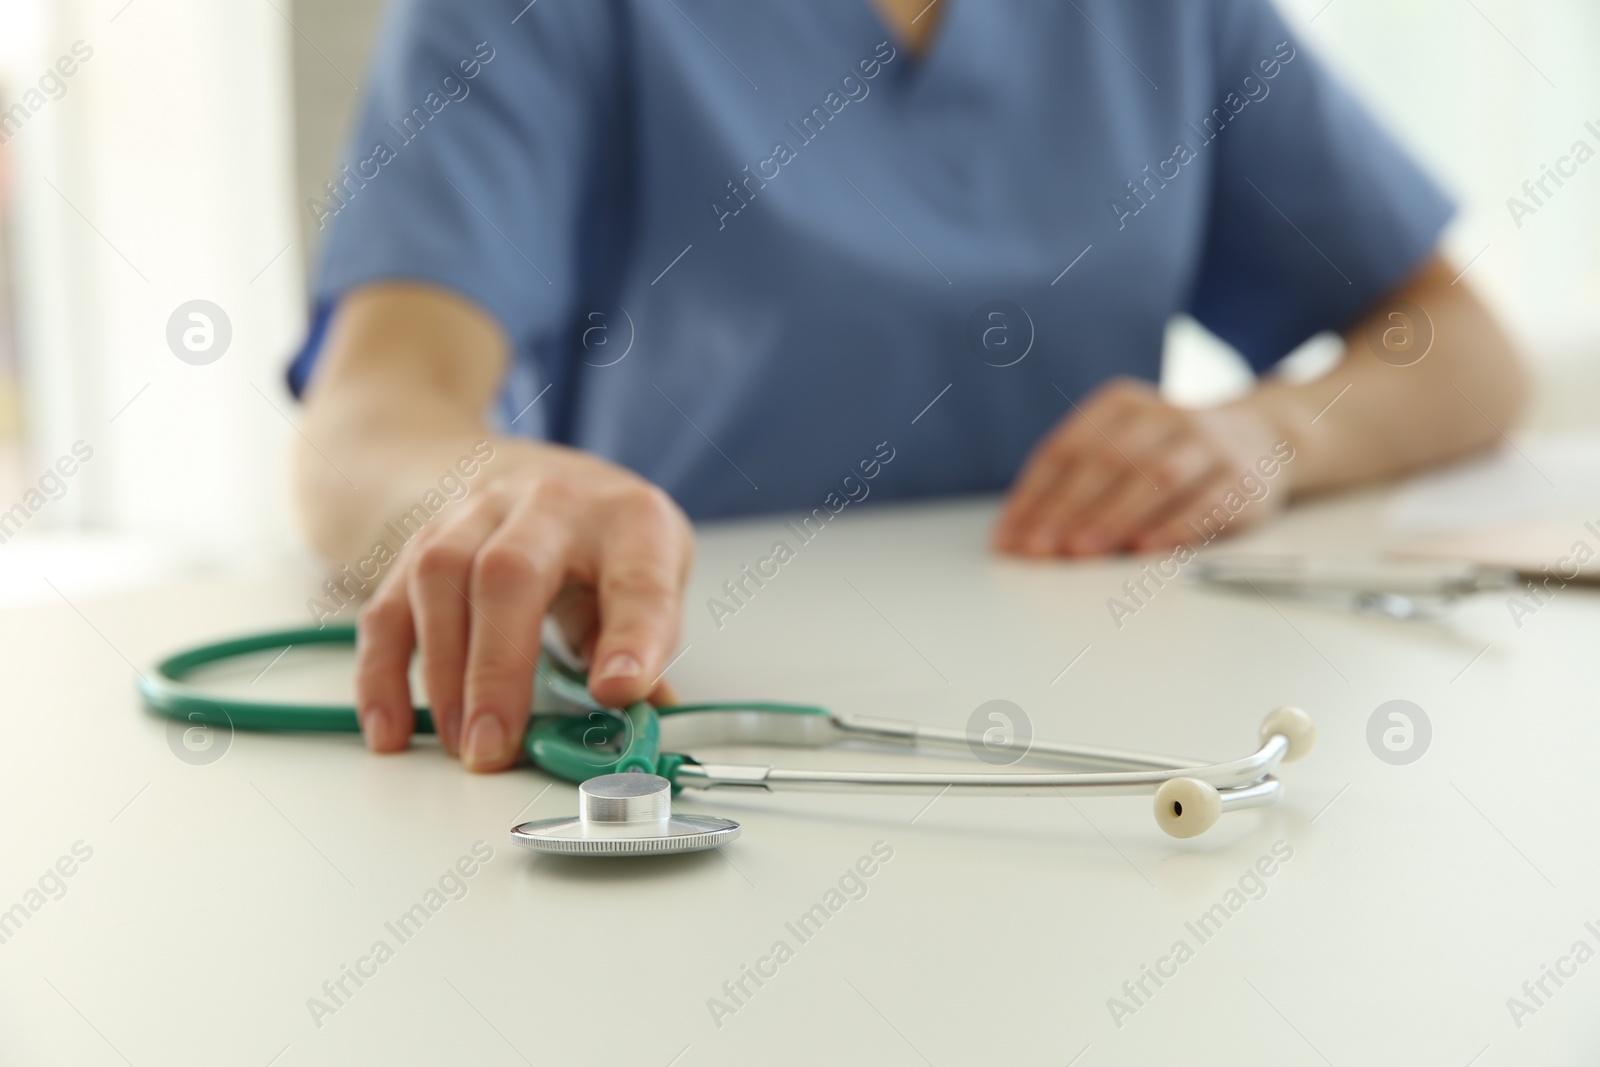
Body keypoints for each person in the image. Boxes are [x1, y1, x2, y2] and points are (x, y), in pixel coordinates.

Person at [291, 0, 1526, 772]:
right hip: (695, 708)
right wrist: (504, 490)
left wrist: (1273, 432)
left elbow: (1456, 342)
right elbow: (371, 416)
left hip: (1105, 702)